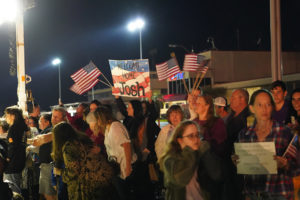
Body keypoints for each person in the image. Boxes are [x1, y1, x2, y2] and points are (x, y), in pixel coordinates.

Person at [232, 89, 296, 200]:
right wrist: (236, 160)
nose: (264, 109)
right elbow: (240, 164)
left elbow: (297, 166)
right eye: (260, 105)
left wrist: (285, 164)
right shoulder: (244, 134)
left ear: (272, 107)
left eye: (268, 104)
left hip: (279, 194)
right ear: (252, 108)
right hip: (253, 194)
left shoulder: (284, 131)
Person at [52, 122, 116, 200]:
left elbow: (73, 171)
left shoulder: (69, 147)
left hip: (86, 187)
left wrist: (59, 172)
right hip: (101, 180)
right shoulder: (83, 139)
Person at [159, 120, 221, 200]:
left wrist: (206, 153)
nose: (196, 139)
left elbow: (217, 175)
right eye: (191, 136)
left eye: (197, 135)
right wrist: (189, 150)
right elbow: (180, 180)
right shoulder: (170, 160)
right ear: (180, 140)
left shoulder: (201, 154)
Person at [93, 106, 136, 200]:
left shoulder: (115, 126)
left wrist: (128, 167)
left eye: (97, 118)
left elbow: (126, 145)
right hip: (117, 167)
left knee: (126, 195)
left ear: (101, 117)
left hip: (125, 166)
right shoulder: (108, 128)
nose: (97, 121)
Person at [4, 106, 28, 190]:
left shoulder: (13, 128)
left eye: (7, 115)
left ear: (13, 116)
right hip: (21, 159)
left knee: (12, 187)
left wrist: (8, 158)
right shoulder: (24, 127)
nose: (6, 117)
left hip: (13, 163)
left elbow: (12, 145)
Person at [38, 114, 56, 200]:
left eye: (40, 121)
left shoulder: (48, 131)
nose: (39, 123)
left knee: (48, 193)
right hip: (49, 165)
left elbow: (37, 145)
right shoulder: (50, 130)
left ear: (47, 122)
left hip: (47, 165)